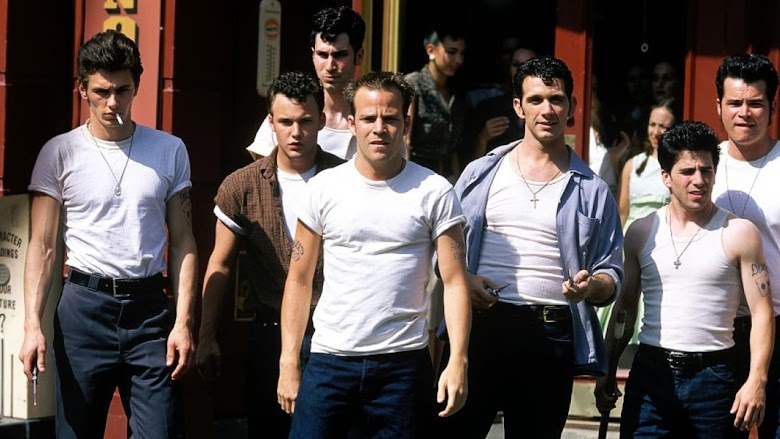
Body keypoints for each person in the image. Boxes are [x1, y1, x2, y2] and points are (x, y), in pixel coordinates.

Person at [19, 30, 197, 438]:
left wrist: (184, 322)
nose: (113, 102)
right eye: (101, 91)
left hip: (150, 309)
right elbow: (43, 246)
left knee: (160, 431)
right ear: (82, 89)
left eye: (123, 90)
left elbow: (184, 241)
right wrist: (32, 325)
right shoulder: (59, 152)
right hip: (84, 308)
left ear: (137, 86)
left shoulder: (169, 149)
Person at [437, 56, 624, 438]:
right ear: (518, 106)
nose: (547, 110)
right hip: (480, 323)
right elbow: (442, 248)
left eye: (556, 99)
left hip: (551, 332)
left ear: (571, 106)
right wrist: (464, 279)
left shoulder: (593, 189)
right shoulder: (480, 173)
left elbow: (612, 274)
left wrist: (591, 286)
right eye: (536, 99)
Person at [276, 72, 471, 438]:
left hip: (403, 366)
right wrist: (289, 359)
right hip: (330, 361)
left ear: (406, 124)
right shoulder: (322, 189)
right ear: (352, 123)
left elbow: (455, 281)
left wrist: (457, 358)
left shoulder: (435, 191)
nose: (379, 128)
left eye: (390, 118)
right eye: (368, 118)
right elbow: (299, 279)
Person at [596, 121, 774, 437]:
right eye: (687, 171)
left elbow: (762, 313)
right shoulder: (642, 232)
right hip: (651, 373)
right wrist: (608, 368)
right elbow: (625, 309)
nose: (699, 180)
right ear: (666, 176)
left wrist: (756, 380)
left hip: (715, 378)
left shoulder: (739, 233)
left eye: (706, 171)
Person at [195, 71, 343, 438]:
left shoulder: (345, 180)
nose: (296, 133)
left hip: (335, 330)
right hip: (269, 329)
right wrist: (207, 335)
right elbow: (220, 264)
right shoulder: (242, 186)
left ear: (321, 120)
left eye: (305, 121)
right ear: (271, 123)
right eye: (286, 122)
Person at [711, 52, 780, 439]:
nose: (744, 113)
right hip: (715, 331)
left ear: (772, 108)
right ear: (718, 105)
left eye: (755, 103)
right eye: (735, 103)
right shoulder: (702, 164)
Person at [246, 6, 365, 161]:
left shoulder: (373, 118)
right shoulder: (288, 113)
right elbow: (262, 170)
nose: (330, 66)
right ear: (313, 55)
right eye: (322, 55)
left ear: (359, 56)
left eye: (340, 55)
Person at [405, 23, 468, 179]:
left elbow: (453, 150)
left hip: (447, 178)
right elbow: (405, 140)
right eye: (451, 52)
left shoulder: (456, 94)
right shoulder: (413, 84)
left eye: (462, 54)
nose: (458, 60)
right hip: (418, 176)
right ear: (431, 50)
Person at [619, 98, 679, 228]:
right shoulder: (632, 165)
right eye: (652, 125)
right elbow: (623, 213)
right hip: (631, 236)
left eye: (663, 126)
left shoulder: (678, 166)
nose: (656, 132)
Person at [469, 46, 537, 158]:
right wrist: (482, 138)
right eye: (516, 64)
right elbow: (471, 163)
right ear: (509, 68)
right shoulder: (490, 109)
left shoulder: (545, 110)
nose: (521, 70)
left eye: (528, 66)